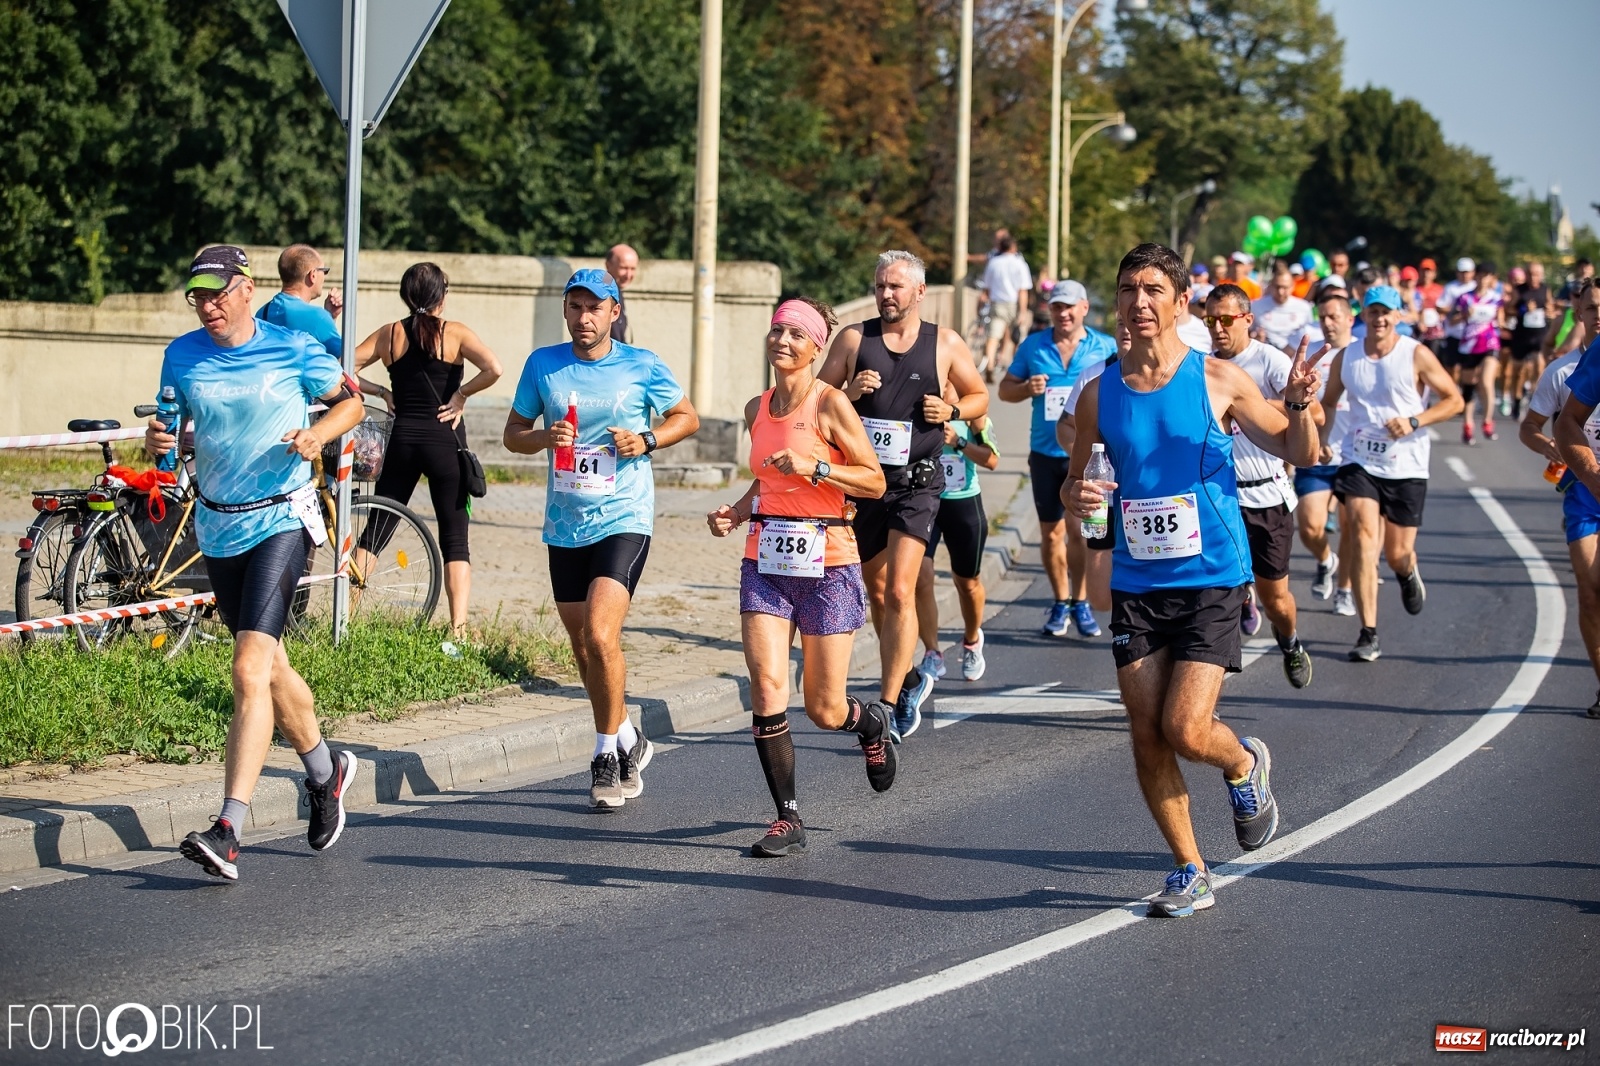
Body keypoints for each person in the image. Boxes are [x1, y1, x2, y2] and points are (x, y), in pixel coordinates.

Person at [1065, 243, 1322, 918]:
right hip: (1136, 580)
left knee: (1184, 726)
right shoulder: (1099, 392)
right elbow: (1074, 480)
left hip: (1212, 575)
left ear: (1183, 303)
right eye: (1128, 289)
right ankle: (1189, 868)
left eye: (1154, 289)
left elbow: (1300, 451)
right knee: (1146, 731)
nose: (1139, 301)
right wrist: (1080, 497)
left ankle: (1243, 764)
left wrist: (1298, 407)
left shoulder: (1219, 380)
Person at [145, 246, 365, 881]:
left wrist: (317, 436)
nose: (208, 306)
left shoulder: (290, 347)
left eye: (218, 293)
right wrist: (160, 446)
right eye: (198, 297)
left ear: (246, 290)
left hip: (281, 518)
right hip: (218, 524)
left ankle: (229, 827)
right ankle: (326, 772)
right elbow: (167, 432)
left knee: (247, 667)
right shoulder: (181, 355)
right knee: (272, 669)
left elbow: (350, 403)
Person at [503, 268, 701, 809]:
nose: (584, 317)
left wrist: (647, 439)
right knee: (583, 648)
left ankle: (606, 753)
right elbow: (512, 435)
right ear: (565, 311)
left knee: (600, 633)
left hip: (625, 515)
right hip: (565, 522)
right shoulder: (543, 364)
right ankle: (632, 736)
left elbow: (688, 417)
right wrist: (545, 435)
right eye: (575, 307)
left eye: (596, 307)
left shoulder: (640, 364)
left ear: (615, 311)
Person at [705, 298, 894, 856]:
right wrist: (737, 511)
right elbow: (765, 481)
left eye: (795, 334)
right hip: (765, 558)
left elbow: (874, 481)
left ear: (816, 347)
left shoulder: (831, 404)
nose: (782, 340)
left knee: (823, 708)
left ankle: (871, 725)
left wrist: (817, 466)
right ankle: (787, 817)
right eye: (777, 330)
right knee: (766, 688)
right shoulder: (755, 408)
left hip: (828, 562)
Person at [820, 250, 990, 742]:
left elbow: (980, 396)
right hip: (865, 482)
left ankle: (890, 703)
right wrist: (850, 392)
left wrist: (952, 408)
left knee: (899, 589)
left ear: (919, 291)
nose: (885, 294)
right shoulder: (855, 339)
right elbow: (815, 400)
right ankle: (912, 677)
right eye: (879, 286)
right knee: (876, 592)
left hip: (919, 482)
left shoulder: (945, 343)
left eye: (895, 286)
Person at [352, 263, 503, 635]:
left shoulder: (389, 334)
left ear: (406, 296)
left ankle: (347, 617)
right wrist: (461, 395)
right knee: (454, 537)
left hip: (402, 441)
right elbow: (494, 369)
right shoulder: (455, 333)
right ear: (442, 296)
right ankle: (458, 629)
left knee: (376, 529)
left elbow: (343, 366)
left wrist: (382, 392)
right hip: (445, 443)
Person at [1320, 286, 1463, 662]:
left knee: (1397, 552)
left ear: (1398, 316)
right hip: (1359, 460)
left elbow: (1454, 400)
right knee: (1365, 536)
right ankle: (1368, 633)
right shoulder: (1347, 357)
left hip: (1406, 463)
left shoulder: (1414, 353)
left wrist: (1416, 420)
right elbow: (1329, 403)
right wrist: (1323, 439)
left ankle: (1406, 570)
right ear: (1362, 315)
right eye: (1372, 311)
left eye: (1387, 312)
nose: (1379, 318)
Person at [1203, 284, 1319, 688]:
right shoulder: (1202, 367)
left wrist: (1246, 402)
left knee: (1277, 600)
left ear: (1247, 320)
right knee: (1215, 598)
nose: (1218, 328)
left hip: (1266, 494)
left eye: (1226, 319)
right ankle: (1204, 686)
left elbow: (1313, 413)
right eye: (1211, 320)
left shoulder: (1267, 359)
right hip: (1218, 497)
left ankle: (1289, 641)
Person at [1000, 280, 1118, 637]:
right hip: (1045, 453)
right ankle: (1060, 600)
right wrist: (1026, 389)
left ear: (1084, 308)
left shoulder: (1106, 346)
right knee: (1051, 535)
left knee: (1079, 532)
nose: (1063, 314)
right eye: (1056, 307)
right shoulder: (1034, 345)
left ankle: (1081, 601)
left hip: (1089, 455)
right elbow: (1004, 390)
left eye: (1069, 307)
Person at [913, 386, 1001, 687]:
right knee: (921, 576)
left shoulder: (972, 411)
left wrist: (959, 441)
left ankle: (973, 639)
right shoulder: (919, 402)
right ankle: (932, 651)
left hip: (963, 502)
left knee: (967, 582)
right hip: (926, 502)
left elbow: (992, 459)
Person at [1544, 279, 1600, 718]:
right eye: (1593, 307)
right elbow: (1562, 426)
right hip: (1588, 491)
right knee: (1590, 592)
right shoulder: (1570, 368)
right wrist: (1593, 476)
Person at [1294, 283, 1358, 612]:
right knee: (1309, 525)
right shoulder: (1311, 354)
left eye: (1334, 316)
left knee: (1350, 527)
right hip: (1318, 452)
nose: (1327, 322)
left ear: (1349, 318)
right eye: (1322, 317)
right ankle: (1325, 559)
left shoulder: (1363, 353)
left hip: (1356, 457)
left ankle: (1345, 589)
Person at [257, 244, 344, 357]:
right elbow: (345, 362)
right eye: (324, 271)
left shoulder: (262, 314)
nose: (324, 276)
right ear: (312, 275)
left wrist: (330, 316)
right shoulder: (317, 317)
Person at [1451, 261, 1505, 443]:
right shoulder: (1465, 298)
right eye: (1480, 275)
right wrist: (1465, 314)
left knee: (1486, 381)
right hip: (1468, 346)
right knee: (1468, 386)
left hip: (1490, 344)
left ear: (1492, 279)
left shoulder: (1496, 297)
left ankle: (1488, 421)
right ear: (1476, 277)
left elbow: (1502, 320)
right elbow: (1452, 321)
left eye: (1487, 276)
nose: (1483, 279)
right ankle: (1467, 425)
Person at [977, 235, 1033, 379]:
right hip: (1013, 303)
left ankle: (989, 364)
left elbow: (986, 288)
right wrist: (1022, 311)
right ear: (1013, 248)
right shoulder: (1020, 264)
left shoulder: (993, 263)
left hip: (997, 303)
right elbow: (1023, 291)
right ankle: (1016, 369)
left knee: (993, 336)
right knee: (1016, 337)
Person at [1505, 261, 1552, 419]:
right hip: (1521, 335)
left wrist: (1549, 311)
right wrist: (1523, 309)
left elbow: (1550, 307)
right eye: (1531, 274)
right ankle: (1517, 399)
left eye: (1537, 274)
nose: (1534, 277)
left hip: (1539, 334)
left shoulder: (1545, 289)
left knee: (1539, 364)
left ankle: (1533, 392)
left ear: (1541, 275)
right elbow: (1508, 310)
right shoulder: (1519, 290)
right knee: (1517, 371)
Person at [1250, 261, 1313, 349]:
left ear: (1292, 287)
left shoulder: (1304, 307)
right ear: (1271, 285)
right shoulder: (1255, 306)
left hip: (1294, 356)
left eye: (1285, 287)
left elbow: (1310, 334)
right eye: (1277, 287)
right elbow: (1247, 333)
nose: (1280, 292)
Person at [605, 244, 640, 343]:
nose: (628, 275)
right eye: (624, 268)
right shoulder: (603, 291)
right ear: (608, 265)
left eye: (632, 269)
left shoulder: (615, 288)